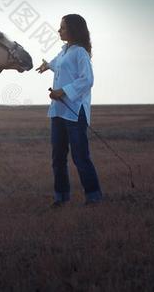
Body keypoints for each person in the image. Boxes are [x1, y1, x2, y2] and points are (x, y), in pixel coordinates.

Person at [36, 14, 102, 207]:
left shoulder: (80, 52)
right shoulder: (64, 50)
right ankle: (61, 197)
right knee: (58, 157)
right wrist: (46, 65)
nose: (59, 31)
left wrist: (62, 92)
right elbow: (57, 63)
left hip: (75, 111)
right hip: (58, 112)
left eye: (63, 27)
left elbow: (87, 80)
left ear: (73, 30)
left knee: (80, 157)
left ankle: (94, 196)